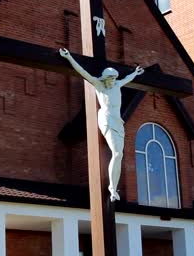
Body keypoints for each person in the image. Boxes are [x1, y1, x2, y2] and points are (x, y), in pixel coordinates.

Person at [59, 48, 144, 202]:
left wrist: (135, 73)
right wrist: (69, 57)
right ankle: (112, 189)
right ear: (105, 79)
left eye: (113, 78)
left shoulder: (118, 84)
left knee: (120, 155)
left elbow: (128, 79)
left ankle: (113, 187)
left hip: (118, 122)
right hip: (106, 119)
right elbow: (82, 71)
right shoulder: (98, 84)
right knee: (116, 153)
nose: (112, 81)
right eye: (110, 79)